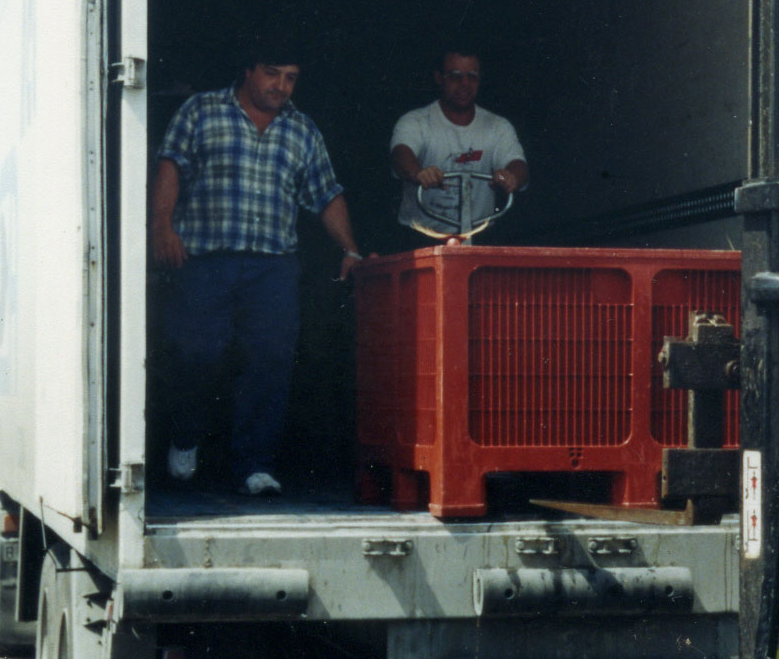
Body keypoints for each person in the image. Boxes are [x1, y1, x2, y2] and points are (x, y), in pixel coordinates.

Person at [151, 41, 362, 497]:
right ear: (248, 70)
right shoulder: (201, 110)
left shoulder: (302, 129)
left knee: (271, 361)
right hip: (205, 259)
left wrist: (350, 249)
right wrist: (161, 227)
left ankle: (255, 465)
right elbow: (170, 167)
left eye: (291, 78)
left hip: (272, 266)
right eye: (272, 73)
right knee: (195, 354)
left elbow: (326, 193)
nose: (281, 86)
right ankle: (185, 435)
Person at [390, 49, 527, 238]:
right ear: (439, 78)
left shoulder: (498, 126)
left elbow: (518, 165)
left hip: (478, 236)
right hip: (421, 237)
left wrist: (509, 177)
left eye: (472, 76)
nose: (464, 84)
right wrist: (418, 173)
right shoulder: (415, 121)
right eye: (455, 76)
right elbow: (400, 155)